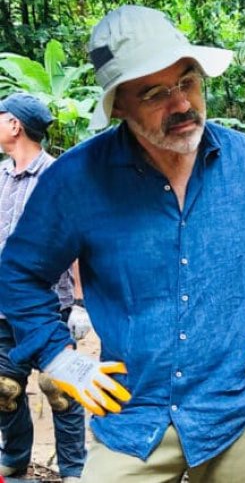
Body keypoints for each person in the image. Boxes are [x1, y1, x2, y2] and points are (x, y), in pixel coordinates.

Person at [0, 5, 245, 482]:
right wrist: (60, 358)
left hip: (235, 405)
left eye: (187, 82)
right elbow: (18, 274)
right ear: (119, 105)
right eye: (155, 93)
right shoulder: (76, 180)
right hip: (133, 412)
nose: (181, 104)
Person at [0, 93, 87, 482]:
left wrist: (80, 303)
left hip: (51, 307)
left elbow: (79, 243)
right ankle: (15, 458)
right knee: (3, 389)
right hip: (4, 308)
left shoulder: (58, 178)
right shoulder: (0, 177)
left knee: (60, 387)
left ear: (15, 124)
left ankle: (73, 468)